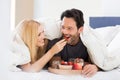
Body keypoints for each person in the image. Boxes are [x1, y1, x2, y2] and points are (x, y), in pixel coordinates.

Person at [47, 9, 99, 77]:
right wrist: (82, 63)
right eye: (63, 27)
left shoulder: (87, 45)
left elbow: (99, 62)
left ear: (80, 29)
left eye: (69, 28)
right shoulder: (55, 43)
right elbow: (55, 64)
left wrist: (95, 67)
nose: (64, 32)